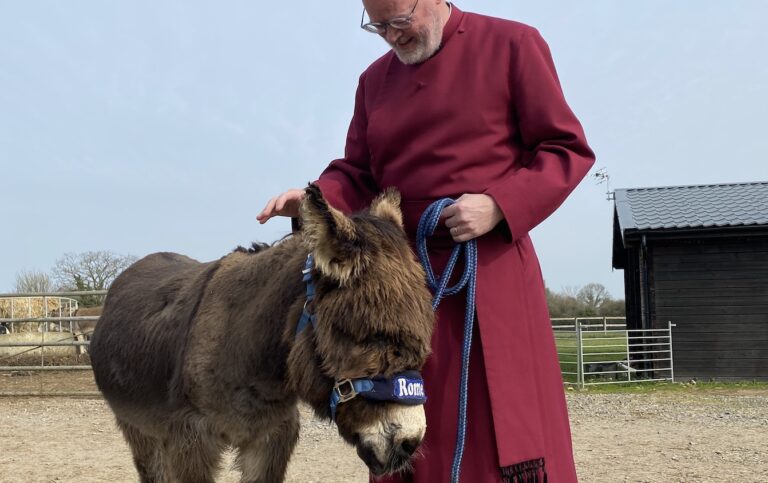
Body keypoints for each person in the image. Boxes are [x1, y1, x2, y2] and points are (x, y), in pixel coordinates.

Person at [258, 1, 594, 481]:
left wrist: (499, 203)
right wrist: (314, 199)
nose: (392, 37)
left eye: (399, 21)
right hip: (401, 290)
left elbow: (565, 149)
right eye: (377, 26)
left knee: (497, 429)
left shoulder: (514, 45)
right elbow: (358, 171)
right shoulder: (374, 81)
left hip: (487, 273)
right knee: (403, 424)